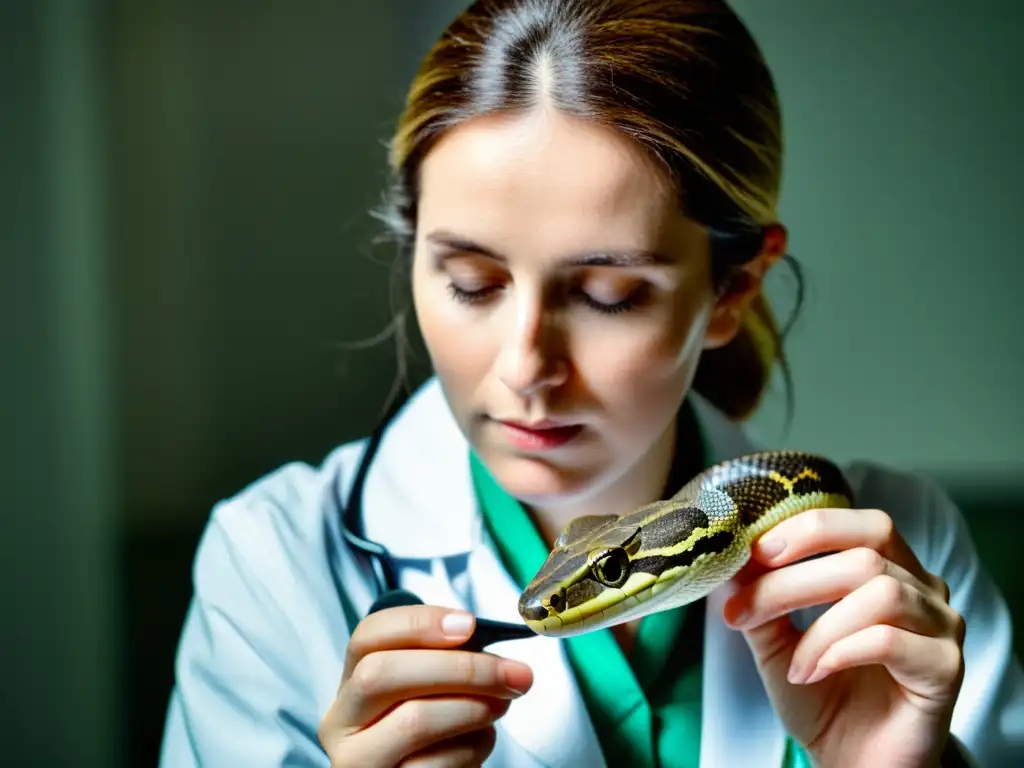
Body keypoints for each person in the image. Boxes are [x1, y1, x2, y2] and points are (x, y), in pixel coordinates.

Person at [158, 1, 1024, 766]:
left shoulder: (904, 556)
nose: (526, 365)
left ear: (733, 290)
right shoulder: (273, 566)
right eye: (470, 282)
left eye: (608, 296)